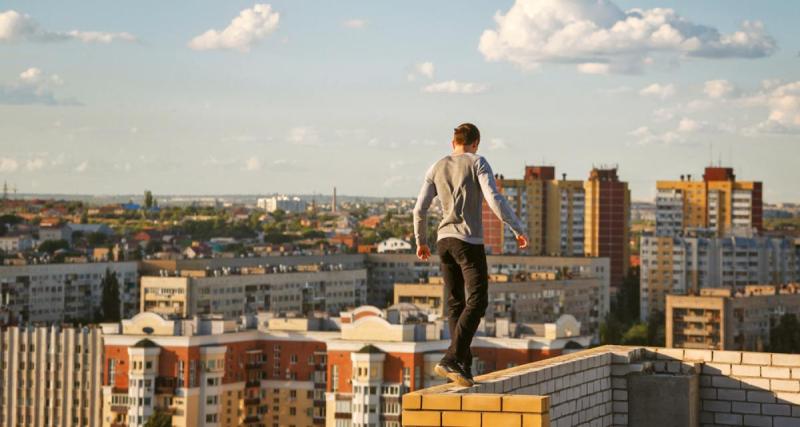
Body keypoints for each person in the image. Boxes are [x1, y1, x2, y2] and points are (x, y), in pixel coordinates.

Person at [412, 123, 528, 387]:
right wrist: (516, 228)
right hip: (468, 241)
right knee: (478, 300)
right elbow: (494, 198)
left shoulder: (436, 166)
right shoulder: (478, 162)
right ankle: (452, 358)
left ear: (453, 143)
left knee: (455, 303)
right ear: (476, 143)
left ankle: (461, 364)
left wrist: (421, 240)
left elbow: (419, 209)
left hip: (443, 242)